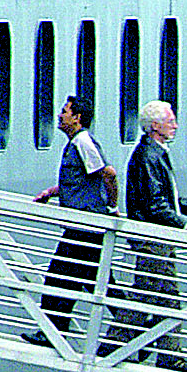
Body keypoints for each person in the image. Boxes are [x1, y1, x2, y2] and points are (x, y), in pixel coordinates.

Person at [22, 94, 117, 349]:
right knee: (97, 281)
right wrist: (54, 192)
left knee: (59, 276)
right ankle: (131, 328)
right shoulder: (77, 143)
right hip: (85, 225)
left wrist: (112, 206)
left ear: (77, 117)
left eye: (64, 111)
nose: (60, 116)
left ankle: (53, 331)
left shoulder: (83, 142)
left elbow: (108, 174)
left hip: (85, 226)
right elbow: (83, 180)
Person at [122, 100, 187, 368]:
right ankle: (119, 346)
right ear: (155, 125)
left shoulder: (153, 153)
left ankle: (162, 353)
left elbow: (161, 197)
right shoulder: (149, 156)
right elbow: (154, 204)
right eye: (170, 121)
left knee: (157, 296)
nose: (176, 126)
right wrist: (183, 224)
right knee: (154, 296)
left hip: (156, 237)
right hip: (153, 239)